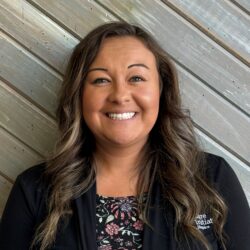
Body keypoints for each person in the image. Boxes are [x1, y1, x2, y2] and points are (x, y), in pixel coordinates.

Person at [0, 22, 249, 250]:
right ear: (78, 95)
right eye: (101, 80)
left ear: (161, 90)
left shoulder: (211, 179)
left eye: (136, 78)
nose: (120, 95)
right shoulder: (34, 191)